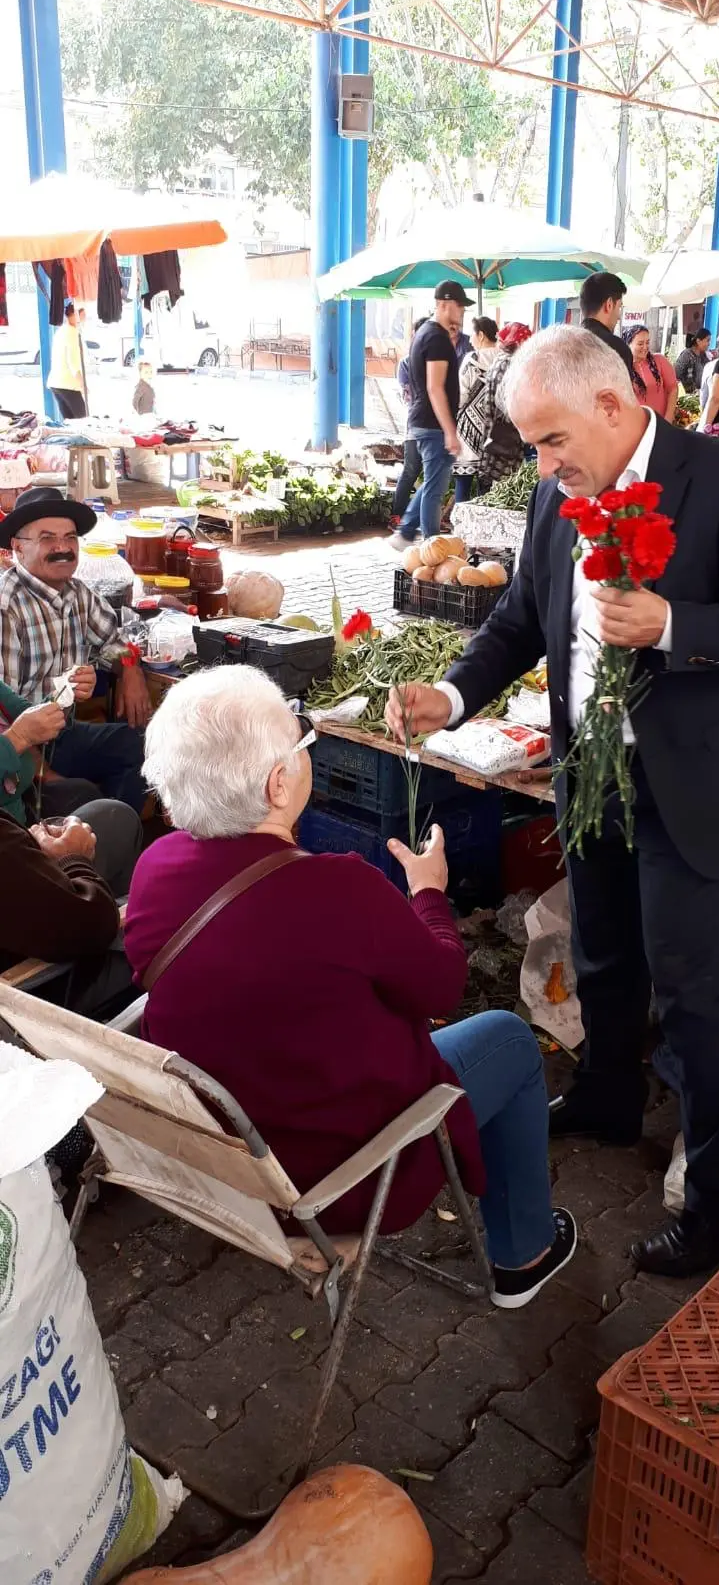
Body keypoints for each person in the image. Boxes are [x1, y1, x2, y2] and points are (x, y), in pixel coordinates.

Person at [384, 324, 719, 1279]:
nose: (540, 463)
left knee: (696, 994)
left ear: (613, 407)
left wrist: (673, 624)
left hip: (693, 782)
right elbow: (519, 619)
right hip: (592, 777)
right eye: (533, 445)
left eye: (549, 440)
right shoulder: (557, 493)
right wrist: (450, 696)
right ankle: (608, 1092)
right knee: (602, 952)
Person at [124, 665, 577, 1309]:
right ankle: (523, 1253)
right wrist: (428, 894)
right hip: (336, 1170)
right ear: (279, 784)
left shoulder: (154, 869)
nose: (306, 753)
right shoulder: (339, 888)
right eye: (302, 744)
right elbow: (442, 987)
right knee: (508, 1038)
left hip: (225, 1150)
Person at [0, 488, 150, 813]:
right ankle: (73, 850)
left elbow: (115, 641)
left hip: (62, 735)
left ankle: (117, 843)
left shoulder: (78, 593)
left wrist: (131, 670)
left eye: (70, 537)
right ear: (17, 548)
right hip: (19, 748)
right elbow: (6, 720)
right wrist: (46, 775)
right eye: (47, 538)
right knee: (79, 795)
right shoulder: (6, 608)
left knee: (141, 744)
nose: (62, 548)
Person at [0, 800, 141, 1017]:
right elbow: (92, 926)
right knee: (158, 914)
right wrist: (73, 860)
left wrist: (27, 846)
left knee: (114, 816)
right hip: (22, 990)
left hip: (36, 914)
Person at [389, 281, 472, 550]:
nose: (462, 312)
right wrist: (450, 430)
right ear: (444, 304)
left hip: (423, 421)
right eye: (460, 306)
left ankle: (405, 532)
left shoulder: (425, 333)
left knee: (435, 481)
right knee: (435, 490)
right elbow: (435, 388)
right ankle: (431, 548)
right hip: (433, 424)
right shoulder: (436, 338)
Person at [475, 322, 531, 490]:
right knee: (496, 488)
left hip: (496, 437)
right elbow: (507, 405)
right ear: (519, 343)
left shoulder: (501, 360)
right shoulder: (510, 365)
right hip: (503, 441)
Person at [454, 317, 500, 505]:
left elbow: (460, 395)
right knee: (487, 489)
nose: (470, 339)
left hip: (469, 431)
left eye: (473, 334)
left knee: (462, 485)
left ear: (481, 335)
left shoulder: (471, 359)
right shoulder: (506, 360)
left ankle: (460, 528)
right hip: (496, 431)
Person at [390, 318, 427, 527]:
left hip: (435, 428)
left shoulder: (437, 361)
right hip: (415, 428)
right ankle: (397, 515)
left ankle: (421, 519)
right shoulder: (406, 363)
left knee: (432, 475)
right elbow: (410, 396)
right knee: (411, 471)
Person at [580, 272, 634, 378]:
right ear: (609, 305)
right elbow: (622, 393)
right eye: (619, 307)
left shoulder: (563, 345)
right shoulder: (616, 349)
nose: (619, 317)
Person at [623, 325, 678, 421]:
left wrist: (668, 417)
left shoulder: (660, 361)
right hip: (636, 425)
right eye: (640, 344)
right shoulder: (623, 367)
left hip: (662, 422)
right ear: (628, 344)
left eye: (647, 343)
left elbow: (673, 388)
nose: (645, 347)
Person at [48, 302, 86, 420]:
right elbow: (73, 362)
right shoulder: (72, 333)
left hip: (56, 383)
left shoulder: (61, 331)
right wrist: (82, 384)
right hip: (68, 384)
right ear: (74, 315)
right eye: (83, 316)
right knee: (82, 421)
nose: (84, 319)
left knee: (69, 422)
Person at [673, 329, 710, 394]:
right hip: (687, 396)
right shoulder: (686, 355)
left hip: (699, 395)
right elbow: (676, 374)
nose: (709, 344)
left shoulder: (704, 356)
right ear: (698, 341)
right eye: (707, 340)